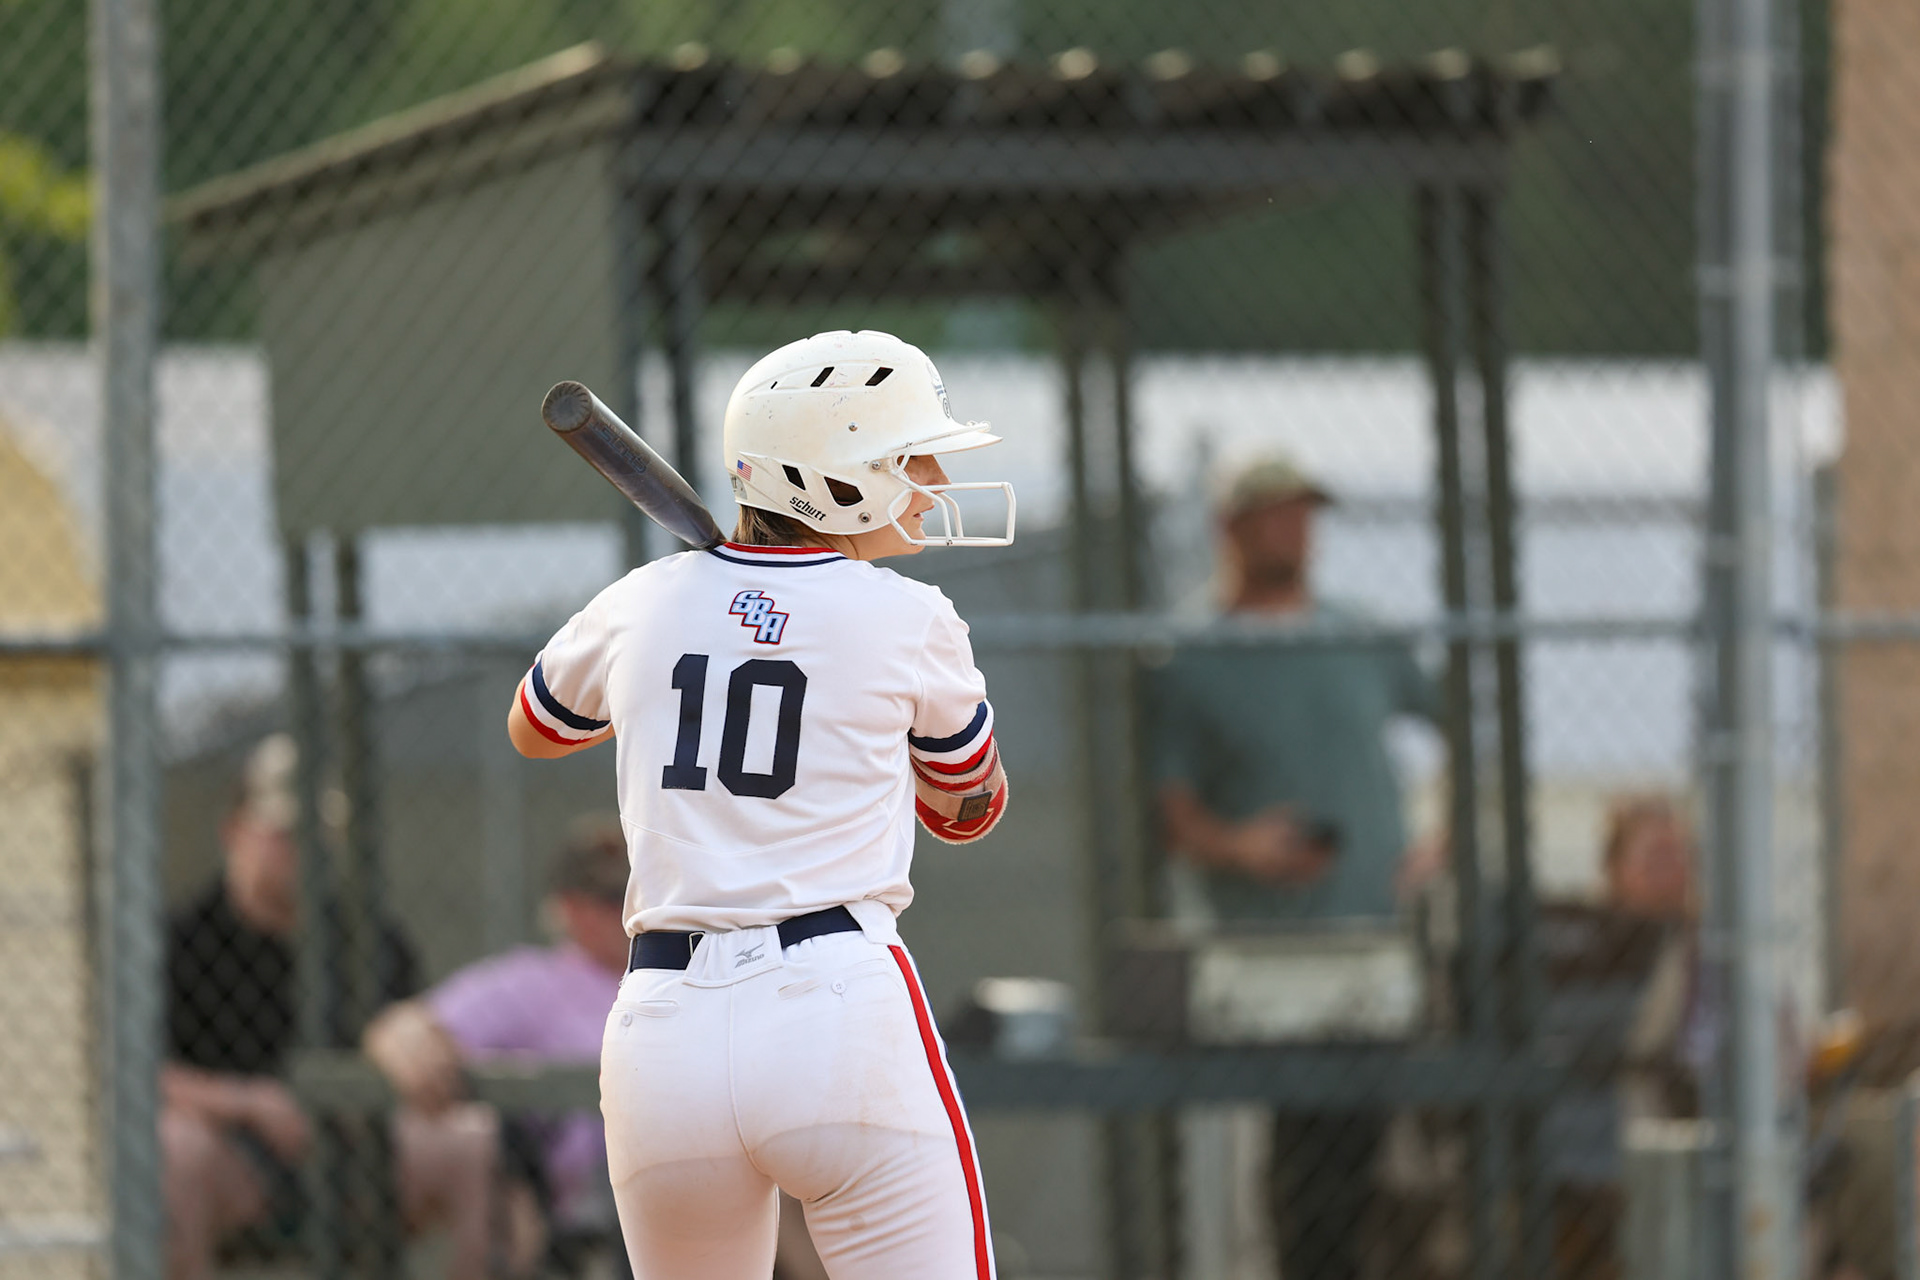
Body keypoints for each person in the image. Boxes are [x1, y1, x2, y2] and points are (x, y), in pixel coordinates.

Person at [507, 329, 1013, 1278]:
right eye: (908, 456)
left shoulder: (643, 600)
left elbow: (535, 727)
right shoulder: (911, 615)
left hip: (662, 1029)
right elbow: (967, 806)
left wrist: (699, 637)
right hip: (832, 1004)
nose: (934, 476)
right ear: (835, 479)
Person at [1151, 455, 1440, 1280]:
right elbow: (1168, 803)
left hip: (1372, 936)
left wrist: (1438, 841)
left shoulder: (1360, 633)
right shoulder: (1188, 654)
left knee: (1368, 1149)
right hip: (1260, 950)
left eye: (1305, 514)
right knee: (1297, 1157)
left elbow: (1465, 727)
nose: (1295, 532)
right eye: (1276, 514)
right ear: (1231, 528)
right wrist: (1240, 846)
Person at [159, 735, 505, 1280]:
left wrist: (395, 1052)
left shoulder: (368, 936)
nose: (303, 852)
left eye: (318, 835)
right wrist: (247, 1102)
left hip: (354, 1147)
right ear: (234, 831)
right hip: (234, 1150)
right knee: (175, 1150)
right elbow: (142, 1077)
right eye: (283, 835)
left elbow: (413, 1038)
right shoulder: (183, 939)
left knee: (474, 1141)